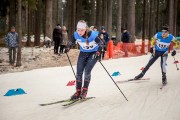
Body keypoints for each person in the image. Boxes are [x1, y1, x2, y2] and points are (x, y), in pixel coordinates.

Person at [65, 20, 103, 100]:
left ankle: (84, 91)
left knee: (87, 71)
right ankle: (78, 92)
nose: (79, 32)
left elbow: (101, 43)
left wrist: (98, 51)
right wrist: (68, 47)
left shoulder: (92, 35)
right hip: (83, 53)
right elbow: (71, 42)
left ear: (85, 29)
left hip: (93, 54)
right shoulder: (76, 34)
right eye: (78, 30)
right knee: (79, 72)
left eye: (81, 30)